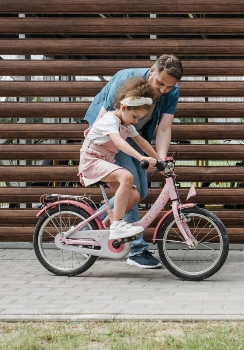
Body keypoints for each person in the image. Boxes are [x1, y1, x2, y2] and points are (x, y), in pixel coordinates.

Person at [84, 54, 183, 269]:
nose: (164, 90)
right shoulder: (125, 80)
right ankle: (135, 250)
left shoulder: (171, 90)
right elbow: (105, 118)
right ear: (151, 71)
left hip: (133, 134)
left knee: (141, 193)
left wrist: (161, 159)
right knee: (128, 184)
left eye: (169, 87)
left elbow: (164, 128)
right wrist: (99, 145)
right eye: (160, 83)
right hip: (111, 137)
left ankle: (91, 229)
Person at [78, 77, 160, 240]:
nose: (136, 121)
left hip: (104, 161)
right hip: (92, 161)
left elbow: (141, 141)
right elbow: (118, 142)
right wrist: (140, 157)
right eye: (135, 116)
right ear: (124, 107)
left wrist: (160, 159)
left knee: (134, 196)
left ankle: (106, 225)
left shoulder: (125, 125)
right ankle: (117, 225)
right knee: (126, 176)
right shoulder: (109, 120)